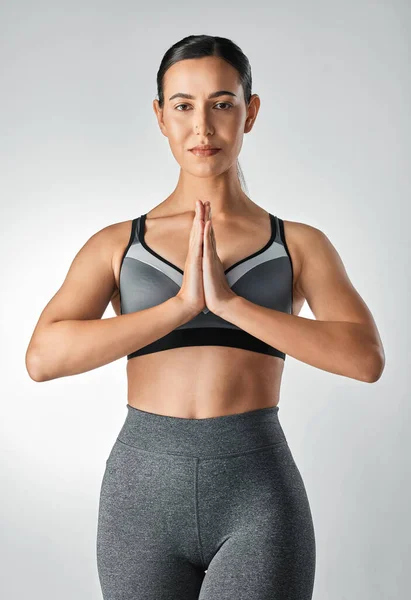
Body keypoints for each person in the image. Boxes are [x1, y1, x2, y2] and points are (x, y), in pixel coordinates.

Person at [25, 34, 385, 600]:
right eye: (183, 106)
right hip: (142, 491)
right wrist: (180, 307)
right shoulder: (117, 244)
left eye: (222, 104)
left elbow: (365, 359)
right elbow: (43, 358)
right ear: (159, 116)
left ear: (251, 111)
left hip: (257, 491)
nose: (202, 127)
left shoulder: (300, 244)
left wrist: (231, 305)